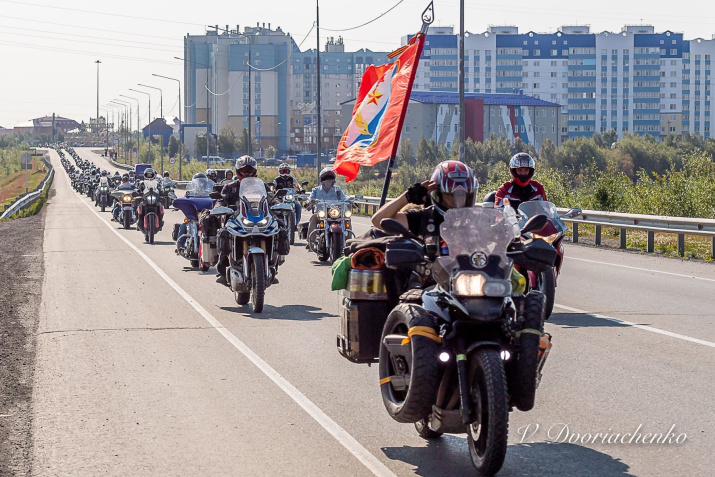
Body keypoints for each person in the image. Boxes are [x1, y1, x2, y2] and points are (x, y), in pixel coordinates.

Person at [371, 160, 478, 252]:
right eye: (450, 196)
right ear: (438, 194)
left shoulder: (475, 221)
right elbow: (378, 220)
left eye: (462, 196)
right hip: (427, 274)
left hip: (467, 275)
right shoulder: (423, 217)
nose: (457, 201)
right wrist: (407, 197)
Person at [305, 167, 345, 249]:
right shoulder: (316, 190)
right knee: (313, 217)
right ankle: (310, 242)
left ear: (333, 181)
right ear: (322, 180)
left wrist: (350, 200)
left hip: (334, 213)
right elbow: (310, 198)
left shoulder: (337, 190)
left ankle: (348, 243)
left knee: (347, 219)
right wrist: (310, 201)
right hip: (321, 213)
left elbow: (344, 197)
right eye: (326, 179)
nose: (328, 181)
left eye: (330, 180)